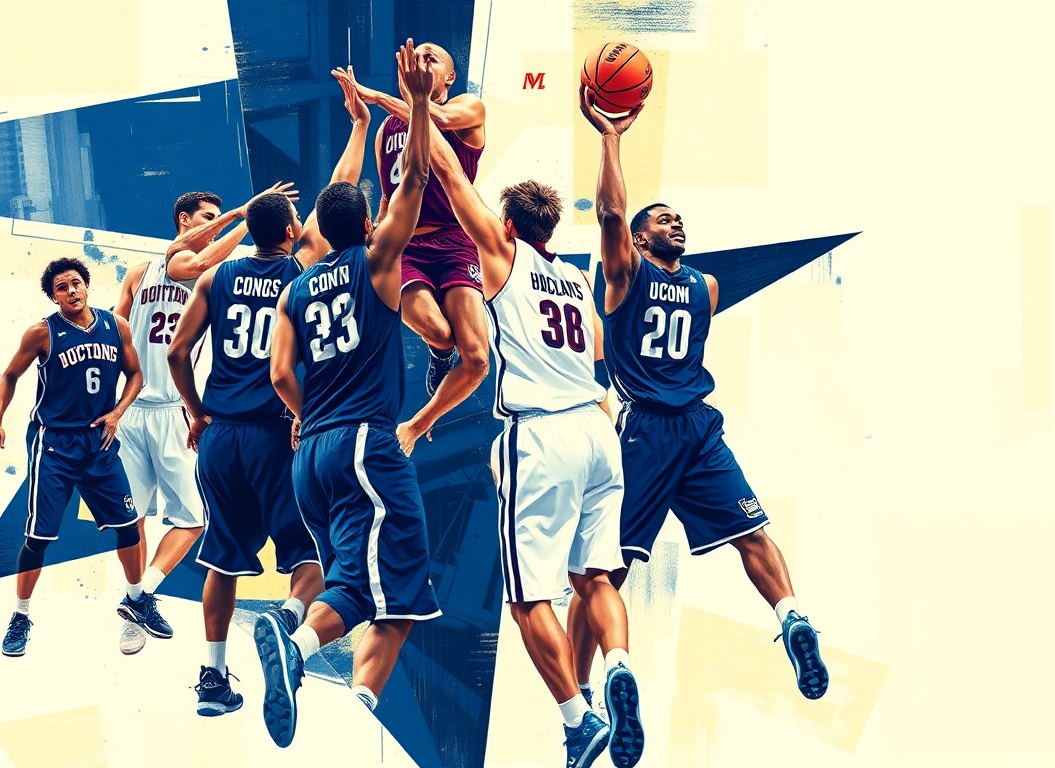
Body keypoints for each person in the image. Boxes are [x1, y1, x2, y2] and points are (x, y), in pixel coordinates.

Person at [579, 85, 828, 700]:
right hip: (684, 427)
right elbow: (612, 216)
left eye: (678, 218)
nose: (676, 221)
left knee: (605, 570)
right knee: (749, 534)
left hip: (661, 431)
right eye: (662, 219)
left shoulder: (681, 283)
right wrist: (611, 141)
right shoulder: (674, 282)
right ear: (638, 240)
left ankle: (591, 688)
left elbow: (611, 219)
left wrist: (609, 137)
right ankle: (789, 612)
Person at [415, 113, 644, 767]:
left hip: (541, 436)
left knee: (527, 600)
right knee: (595, 577)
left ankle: (578, 721)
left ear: (510, 226)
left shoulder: (502, 254)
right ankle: (619, 665)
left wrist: (418, 106)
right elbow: (596, 351)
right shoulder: (574, 279)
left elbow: (451, 176)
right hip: (597, 430)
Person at [166, 71, 373, 716]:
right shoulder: (301, 269)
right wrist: (360, 126)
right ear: (289, 231)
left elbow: (176, 352)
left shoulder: (217, 277)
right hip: (276, 433)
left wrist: (196, 412)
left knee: (222, 563)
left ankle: (211, 677)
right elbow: (339, 194)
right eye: (296, 220)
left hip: (219, 436)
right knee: (310, 559)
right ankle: (284, 624)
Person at [254, 40, 437, 749]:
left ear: (315, 232)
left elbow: (280, 375)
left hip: (312, 457)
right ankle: (294, 645)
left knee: (399, 596)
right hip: (366, 443)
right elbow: (415, 177)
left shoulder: (296, 286)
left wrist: (306, 417)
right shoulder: (379, 259)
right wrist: (415, 102)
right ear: (367, 226)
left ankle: (356, 704)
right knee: (372, 586)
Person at [111, 182, 292, 653]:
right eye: (207, 216)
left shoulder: (209, 272)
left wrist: (242, 218)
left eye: (218, 216)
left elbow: (203, 263)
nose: (215, 223)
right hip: (133, 411)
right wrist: (244, 214)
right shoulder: (145, 271)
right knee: (132, 519)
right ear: (184, 220)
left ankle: (139, 596)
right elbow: (116, 331)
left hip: (174, 408)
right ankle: (137, 604)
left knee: (192, 518)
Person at [0, 257, 169, 657]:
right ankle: (20, 616)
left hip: (99, 442)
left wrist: (117, 413)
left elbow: (136, 374)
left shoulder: (116, 326)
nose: (71, 291)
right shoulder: (42, 332)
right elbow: (9, 376)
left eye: (75, 284)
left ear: (86, 286)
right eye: (61, 288)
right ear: (54, 297)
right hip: (54, 444)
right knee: (38, 538)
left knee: (128, 527)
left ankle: (137, 599)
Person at [335, 41, 490, 437]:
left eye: (430, 58)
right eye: (415, 57)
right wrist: (375, 240)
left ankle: (425, 418)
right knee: (440, 333)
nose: (420, 62)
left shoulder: (469, 107)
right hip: (407, 247)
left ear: (450, 76)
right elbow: (388, 195)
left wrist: (381, 97)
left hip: (455, 242)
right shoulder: (387, 129)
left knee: (477, 356)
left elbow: (436, 116)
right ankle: (439, 354)